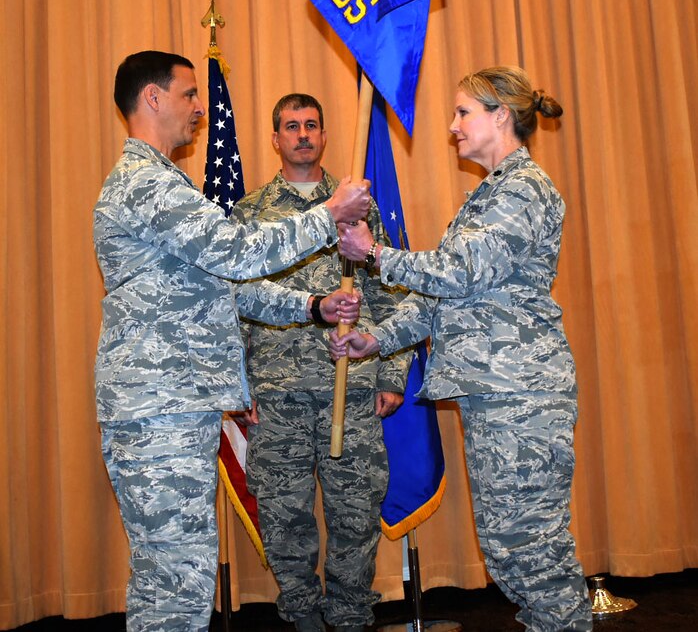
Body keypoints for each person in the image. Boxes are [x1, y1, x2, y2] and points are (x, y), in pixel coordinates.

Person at [93, 51, 371, 632]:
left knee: (178, 579)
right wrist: (328, 215)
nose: (201, 108)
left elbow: (229, 285)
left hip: (176, 404)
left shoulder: (166, 180)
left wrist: (312, 306)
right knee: (175, 584)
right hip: (158, 407)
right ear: (153, 98)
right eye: (190, 94)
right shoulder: (145, 183)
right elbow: (238, 253)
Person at [331, 66, 594, 631]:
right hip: (493, 395)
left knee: (533, 549)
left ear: (501, 115)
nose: (452, 126)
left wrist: (375, 254)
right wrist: (374, 339)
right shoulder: (486, 196)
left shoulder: (524, 188)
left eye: (462, 112)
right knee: (506, 546)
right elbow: (433, 299)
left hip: (521, 394)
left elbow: (461, 270)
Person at [231, 93, 409, 632]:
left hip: (351, 386)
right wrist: (239, 391)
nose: (302, 134)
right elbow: (234, 305)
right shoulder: (250, 213)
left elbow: (388, 291)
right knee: (286, 518)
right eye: (291, 126)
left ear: (326, 135)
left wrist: (393, 372)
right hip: (277, 395)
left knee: (355, 516)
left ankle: (352, 617)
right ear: (276, 138)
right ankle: (303, 617)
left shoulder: (358, 205)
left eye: (311, 125)